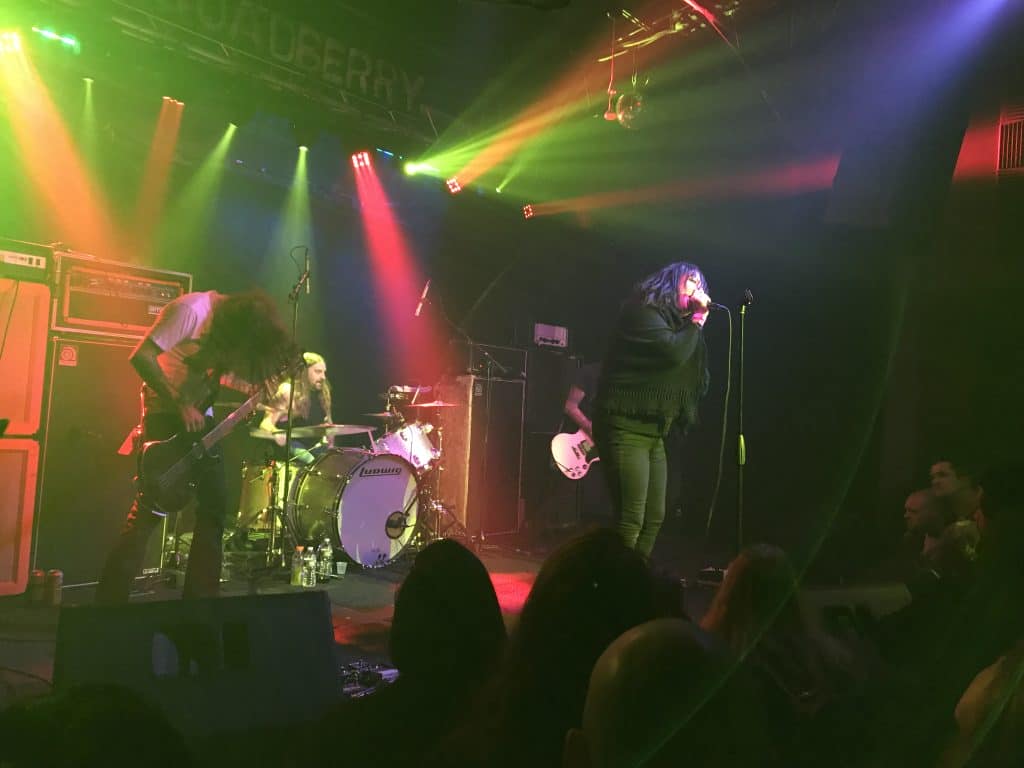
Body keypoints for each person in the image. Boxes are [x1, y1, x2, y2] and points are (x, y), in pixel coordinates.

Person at [96, 289, 294, 603]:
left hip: (201, 417)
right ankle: (109, 602)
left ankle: (201, 601)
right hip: (166, 413)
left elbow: (214, 374)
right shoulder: (191, 311)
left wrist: (253, 389)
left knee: (215, 507)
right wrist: (180, 404)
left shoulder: (224, 327)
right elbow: (141, 356)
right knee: (151, 509)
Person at [592, 262, 711, 558]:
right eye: (691, 282)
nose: (698, 290)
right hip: (623, 425)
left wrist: (694, 324)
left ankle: (635, 575)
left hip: (654, 432)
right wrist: (697, 320)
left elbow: (691, 366)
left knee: (655, 517)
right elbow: (673, 353)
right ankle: (616, 579)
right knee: (631, 518)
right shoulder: (641, 313)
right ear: (671, 283)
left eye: (701, 285)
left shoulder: (680, 327)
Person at [258, 351, 334, 465]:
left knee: (333, 463)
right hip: (291, 450)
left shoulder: (323, 394)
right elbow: (265, 424)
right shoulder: (287, 391)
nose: (323, 377)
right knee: (311, 461)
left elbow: (330, 427)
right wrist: (275, 432)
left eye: (324, 372)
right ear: (304, 371)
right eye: (318, 372)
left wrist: (330, 442)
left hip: (314, 448)